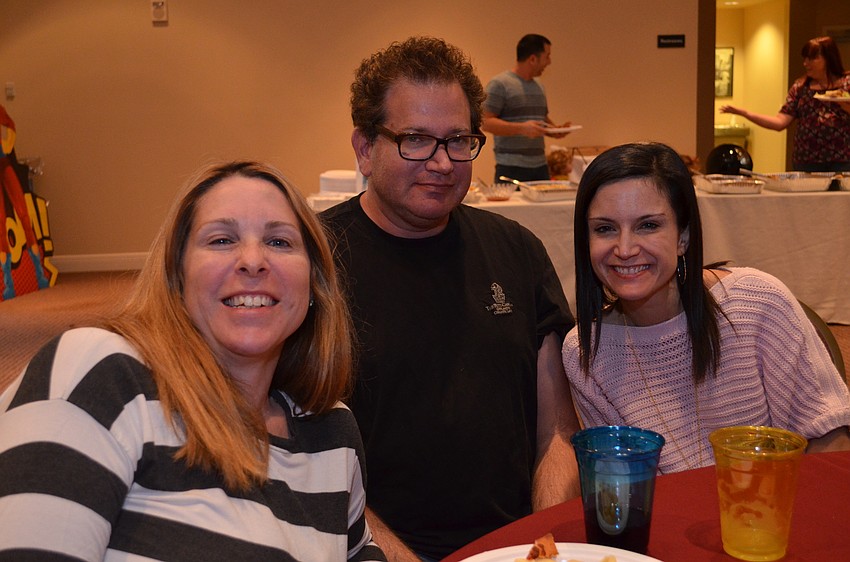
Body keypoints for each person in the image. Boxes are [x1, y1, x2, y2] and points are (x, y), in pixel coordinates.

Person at [0, 161, 386, 561]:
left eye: (279, 242)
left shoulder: (330, 432)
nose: (253, 260)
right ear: (177, 277)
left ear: (313, 285)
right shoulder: (101, 374)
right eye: (221, 240)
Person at [320, 36, 580, 562]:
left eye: (458, 140)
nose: (442, 162)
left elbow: (557, 430)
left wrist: (539, 542)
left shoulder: (517, 250)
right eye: (416, 139)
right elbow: (305, 459)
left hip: (515, 547)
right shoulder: (314, 266)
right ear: (365, 149)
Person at [563, 141, 850, 475]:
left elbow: (831, 438)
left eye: (648, 225)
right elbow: (628, 488)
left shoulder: (757, 305)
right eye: (605, 228)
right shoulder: (585, 352)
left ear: (683, 236)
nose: (625, 249)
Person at [720, 36, 850, 172]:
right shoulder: (800, 87)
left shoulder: (846, 84)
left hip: (843, 159)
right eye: (805, 59)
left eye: (811, 58)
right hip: (807, 160)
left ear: (828, 59)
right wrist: (745, 113)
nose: (806, 63)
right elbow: (779, 122)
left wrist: (845, 106)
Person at [481, 33, 573, 183]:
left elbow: (540, 119)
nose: (549, 62)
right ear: (532, 59)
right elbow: (485, 122)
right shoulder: (500, 84)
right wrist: (522, 128)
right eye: (547, 56)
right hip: (510, 167)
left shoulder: (539, 86)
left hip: (540, 166)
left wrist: (555, 130)